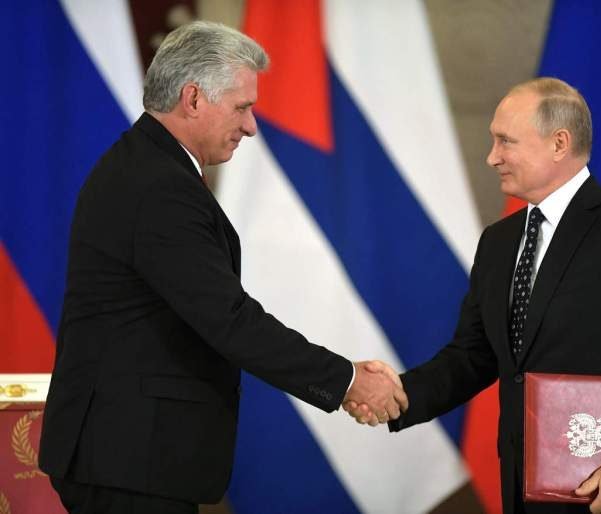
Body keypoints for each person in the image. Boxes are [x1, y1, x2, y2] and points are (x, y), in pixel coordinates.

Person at [38, 21, 406, 514]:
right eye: (242, 107)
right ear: (192, 99)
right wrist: (346, 381)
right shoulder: (158, 187)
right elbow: (227, 318)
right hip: (128, 461)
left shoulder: (147, 168)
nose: (252, 125)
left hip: (131, 458)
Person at [346, 78, 601, 514]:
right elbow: (473, 355)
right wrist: (399, 394)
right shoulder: (499, 241)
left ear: (559, 143)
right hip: (524, 488)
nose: (492, 157)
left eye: (505, 141)